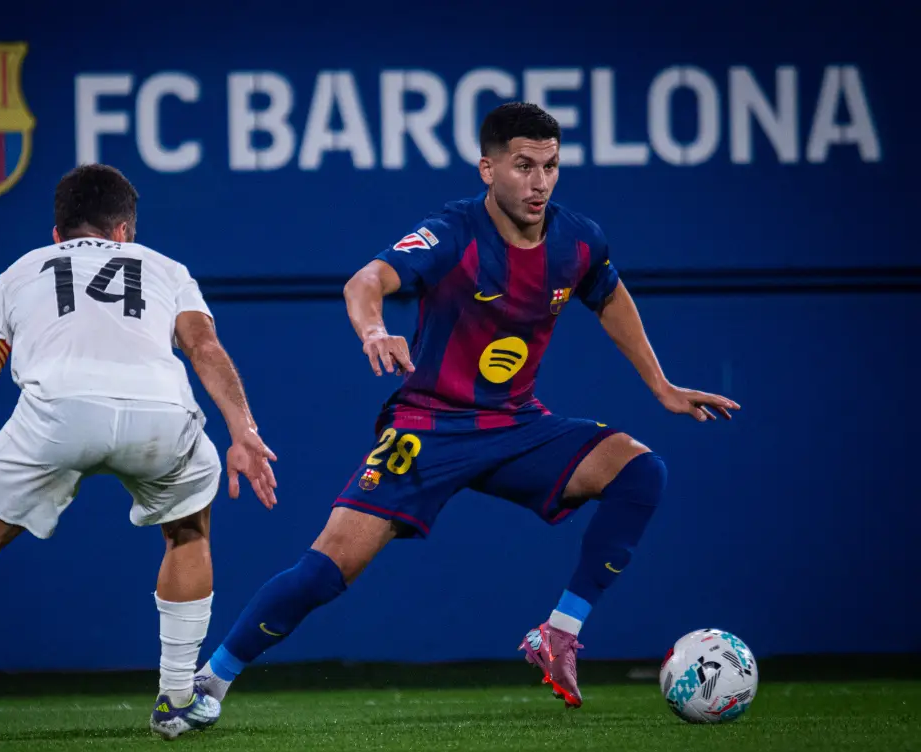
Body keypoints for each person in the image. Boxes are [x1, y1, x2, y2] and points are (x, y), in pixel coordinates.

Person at [194, 102, 738, 710]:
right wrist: (374, 331)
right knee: (327, 570)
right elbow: (364, 283)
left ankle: (560, 631)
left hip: (517, 425)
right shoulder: (452, 233)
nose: (539, 182)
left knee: (641, 471)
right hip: (429, 427)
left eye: (551, 166)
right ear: (487, 168)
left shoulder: (578, 239)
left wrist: (660, 385)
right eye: (523, 166)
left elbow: (607, 295)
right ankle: (210, 682)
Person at [0, 163, 278, 745]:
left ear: (58, 232)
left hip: (57, 415)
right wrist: (243, 430)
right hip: (159, 414)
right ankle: (176, 701)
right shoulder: (164, 268)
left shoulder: (19, 273)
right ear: (124, 230)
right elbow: (203, 346)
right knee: (188, 534)